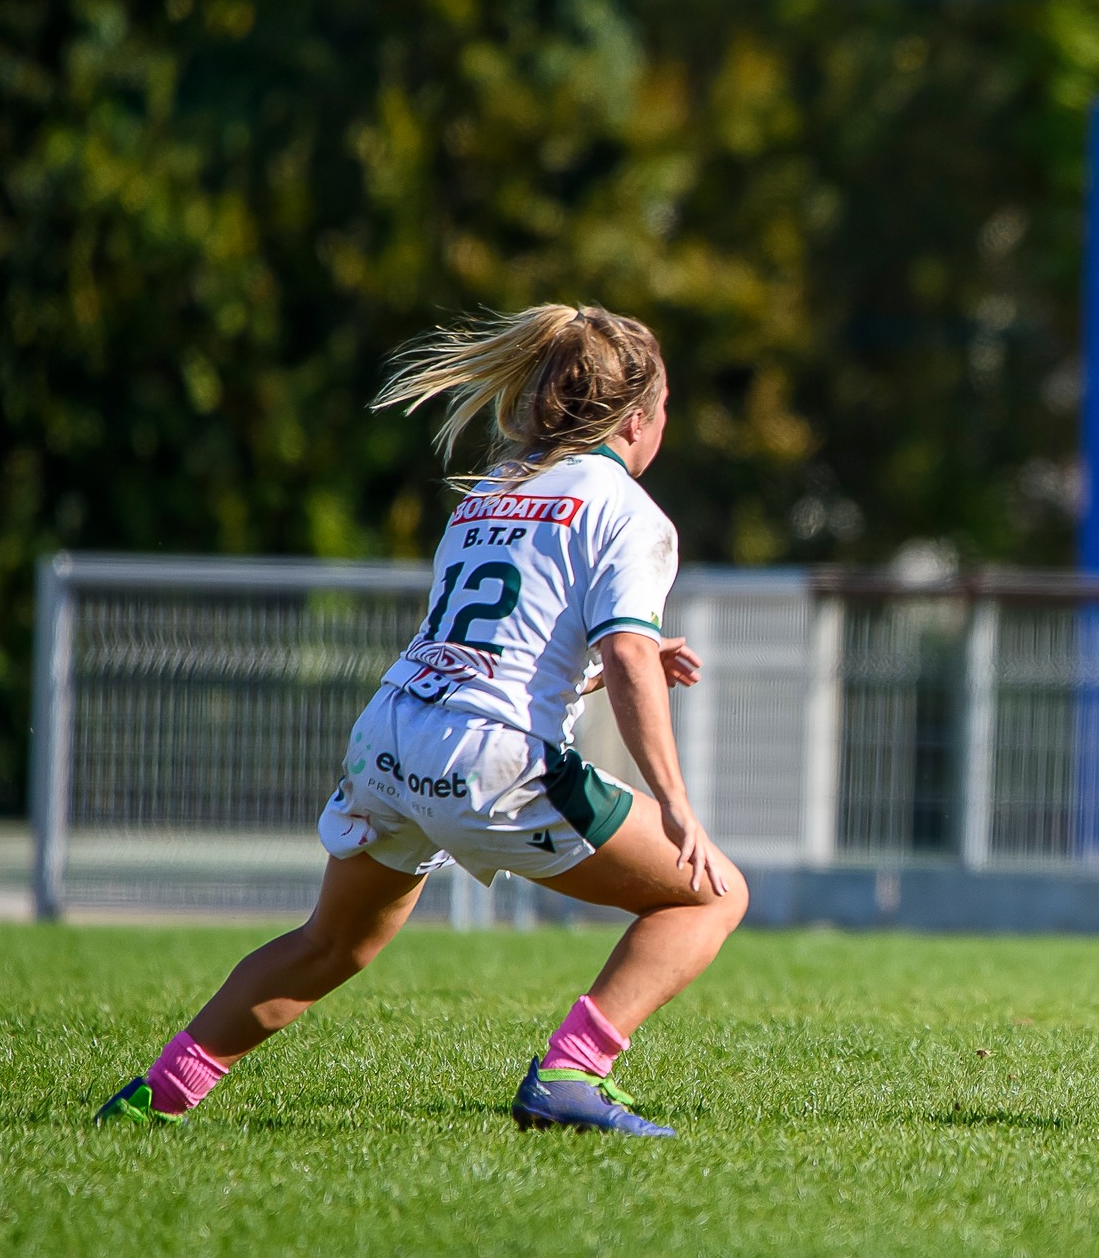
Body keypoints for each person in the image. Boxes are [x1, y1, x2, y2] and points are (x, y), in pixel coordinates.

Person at [95, 304, 747, 1137]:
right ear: (637, 418)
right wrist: (676, 799)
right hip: (494, 760)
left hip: (392, 734)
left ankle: (161, 1093)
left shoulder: (491, 493)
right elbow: (621, 654)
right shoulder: (628, 509)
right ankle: (571, 1075)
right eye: (665, 412)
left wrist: (600, 673)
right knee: (713, 894)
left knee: (330, 943)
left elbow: (499, 649)